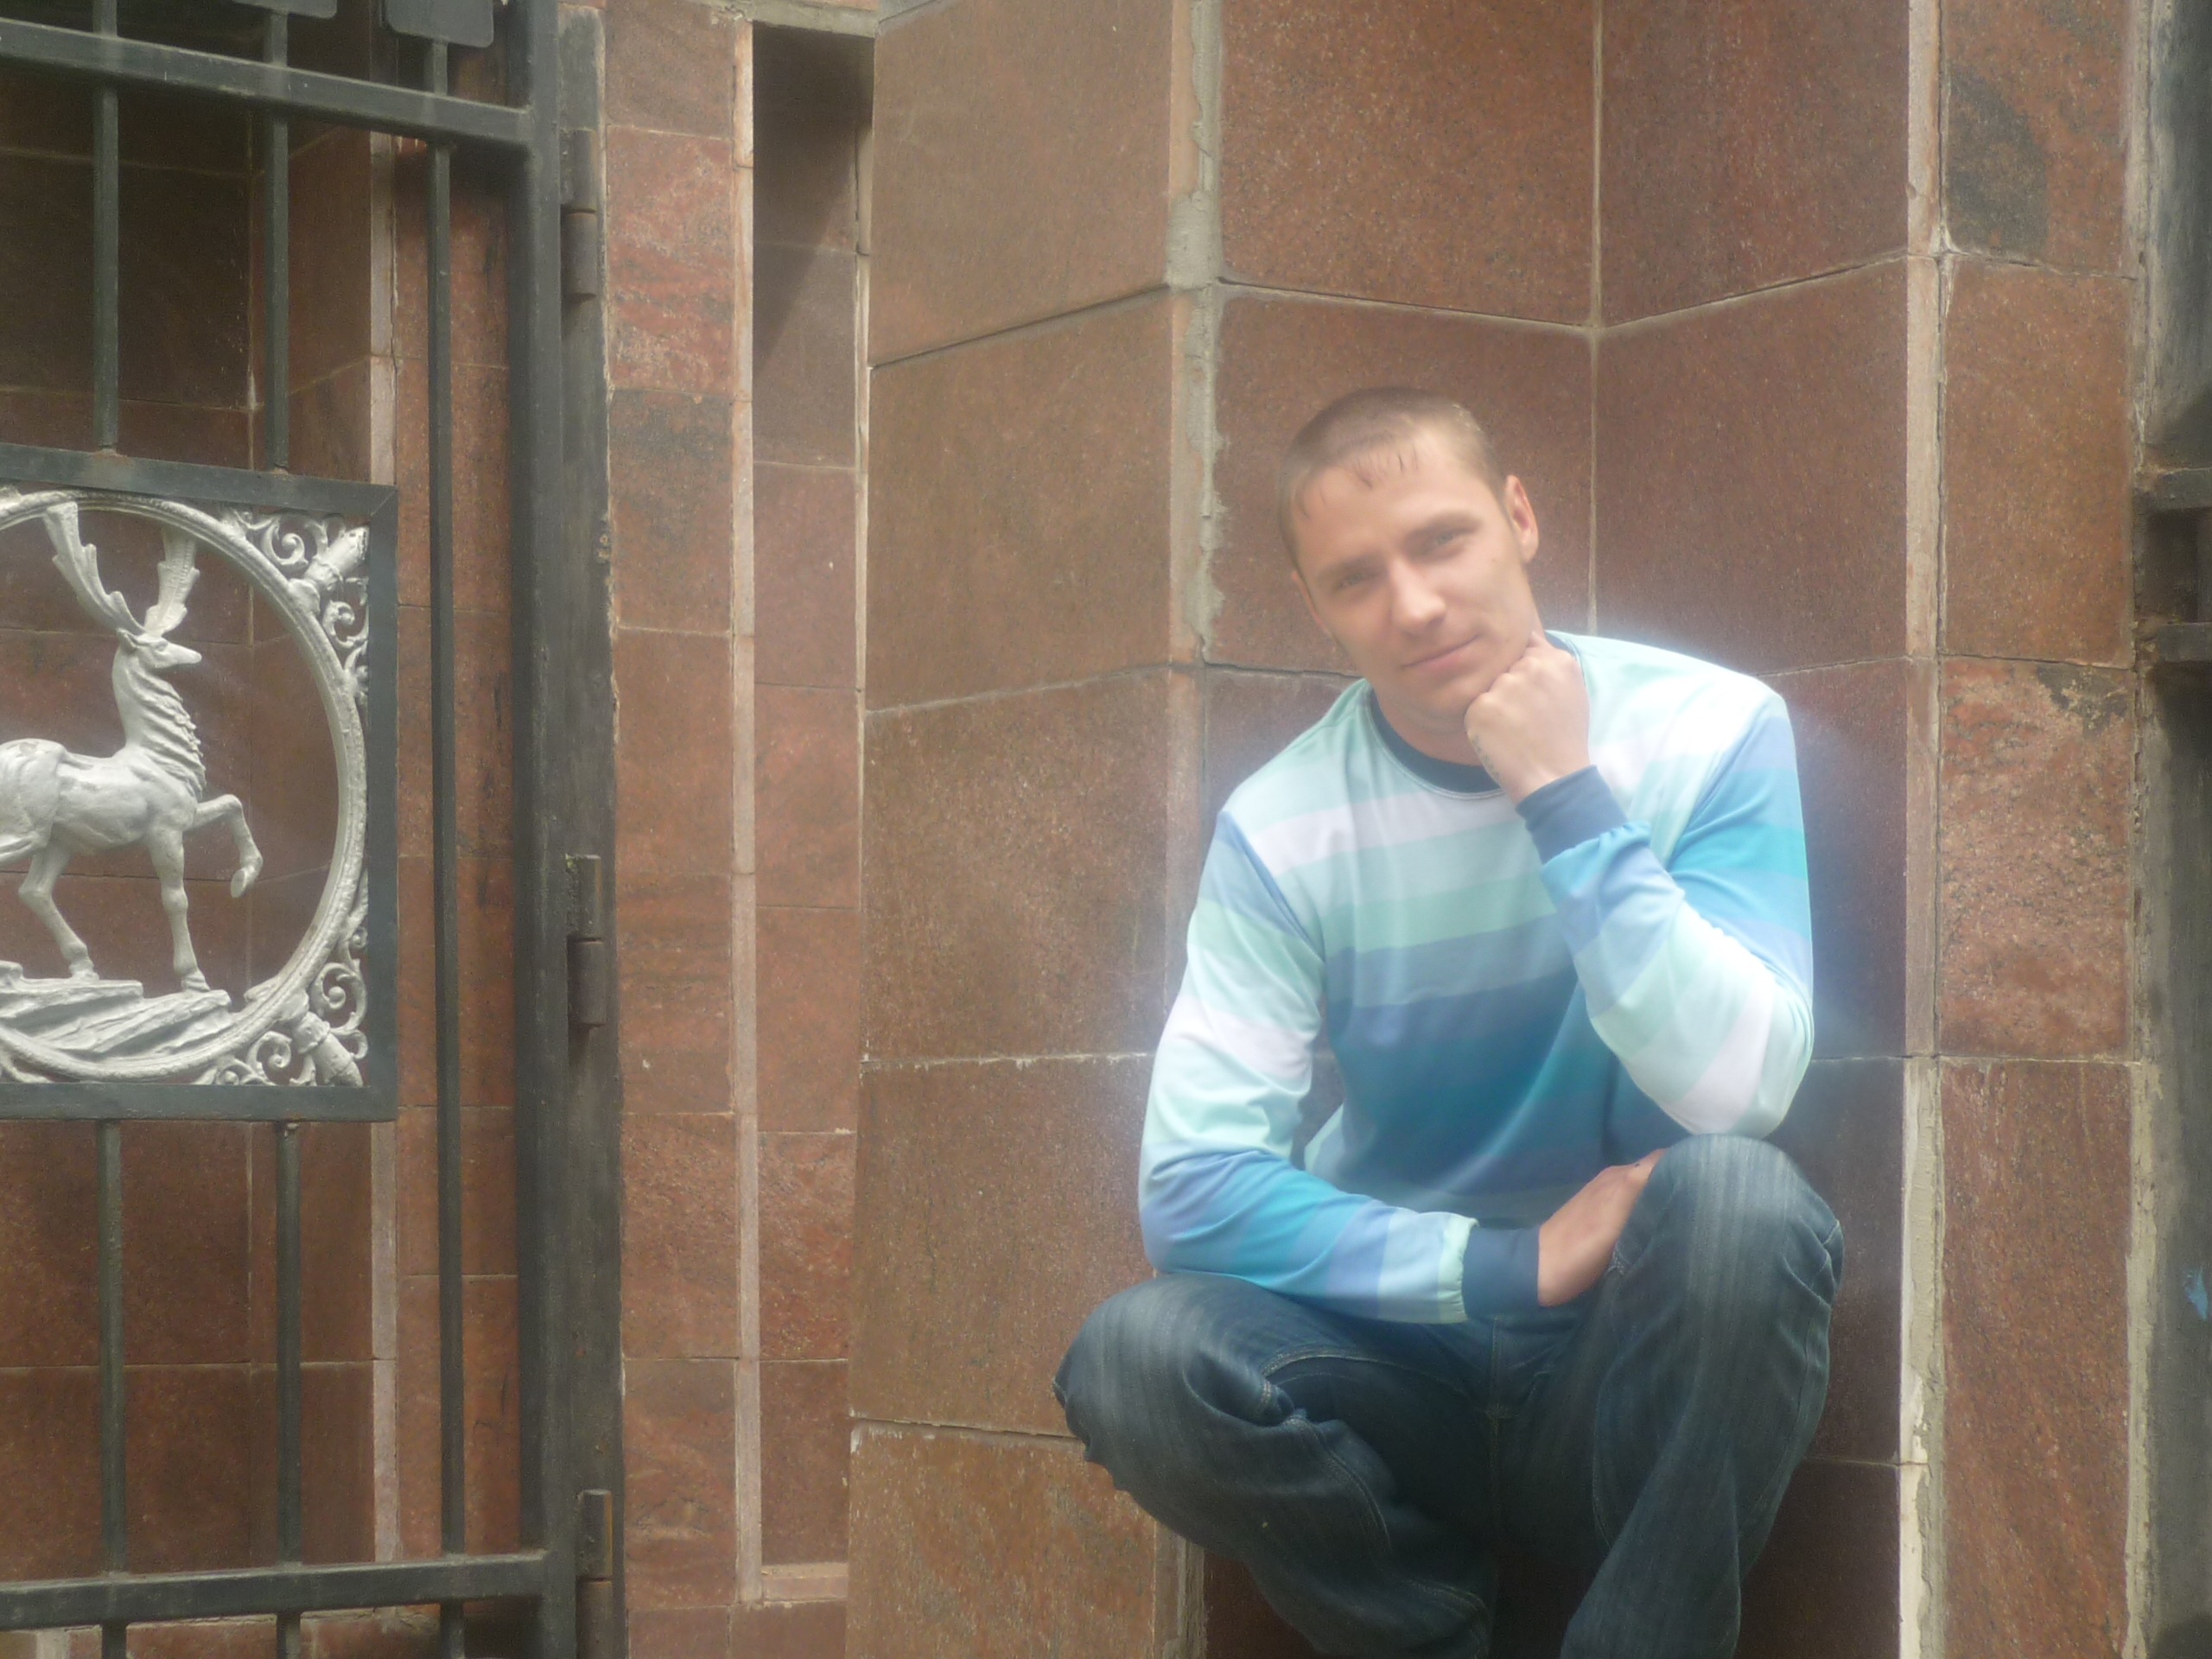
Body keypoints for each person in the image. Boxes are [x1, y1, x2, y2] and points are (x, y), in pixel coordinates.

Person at [1054, 388, 1842, 1659]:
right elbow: (1193, 1189)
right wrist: (1505, 1266)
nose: (1414, 605)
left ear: (1518, 518)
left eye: (1441, 541)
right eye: (1357, 578)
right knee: (1139, 1359)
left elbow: (1736, 1090)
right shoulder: (1284, 824)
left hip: (1630, 1371)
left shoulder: (1709, 731)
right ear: (1314, 606)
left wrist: (1567, 799)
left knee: (1746, 1207)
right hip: (1391, 1375)